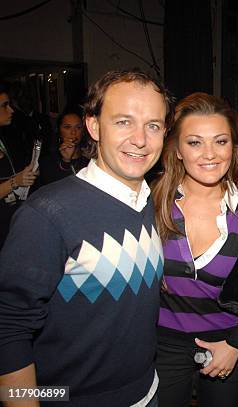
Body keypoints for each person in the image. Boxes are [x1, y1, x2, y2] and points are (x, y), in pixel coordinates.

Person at [0, 69, 173, 406]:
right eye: (123, 121)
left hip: (148, 393)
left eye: (153, 125)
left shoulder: (149, 201)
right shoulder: (47, 213)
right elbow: (8, 327)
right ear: (93, 126)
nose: (140, 139)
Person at [152, 92, 238, 407]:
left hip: (228, 342)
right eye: (195, 142)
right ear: (178, 150)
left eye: (221, 141)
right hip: (163, 345)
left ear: (233, 147)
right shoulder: (153, 204)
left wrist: (236, 345)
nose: (209, 154)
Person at [0, 81, 39, 249]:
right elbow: (13, 180)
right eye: (4, 105)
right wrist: (16, 182)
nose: (11, 110)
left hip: (12, 219)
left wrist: (28, 173)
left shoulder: (6, 136)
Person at [38, 106, 89, 185]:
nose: (73, 132)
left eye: (78, 127)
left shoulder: (90, 160)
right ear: (59, 131)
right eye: (67, 127)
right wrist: (66, 161)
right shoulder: (47, 161)